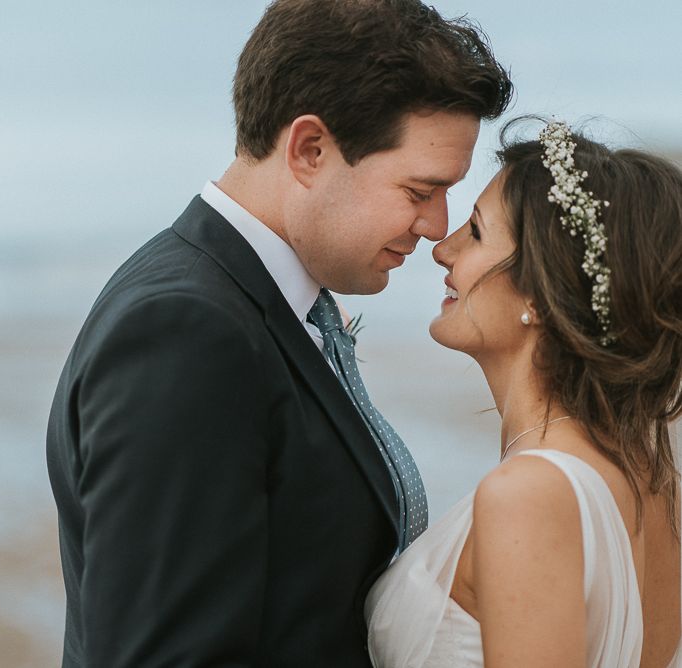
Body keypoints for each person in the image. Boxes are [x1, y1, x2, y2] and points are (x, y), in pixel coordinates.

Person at [46, 0, 512, 665]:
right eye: (418, 190)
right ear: (310, 150)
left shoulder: (257, 303)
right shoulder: (187, 332)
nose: (437, 225)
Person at [366, 119, 682, 666]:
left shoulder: (530, 494)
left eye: (478, 231)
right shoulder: (656, 482)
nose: (443, 249)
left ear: (541, 290)